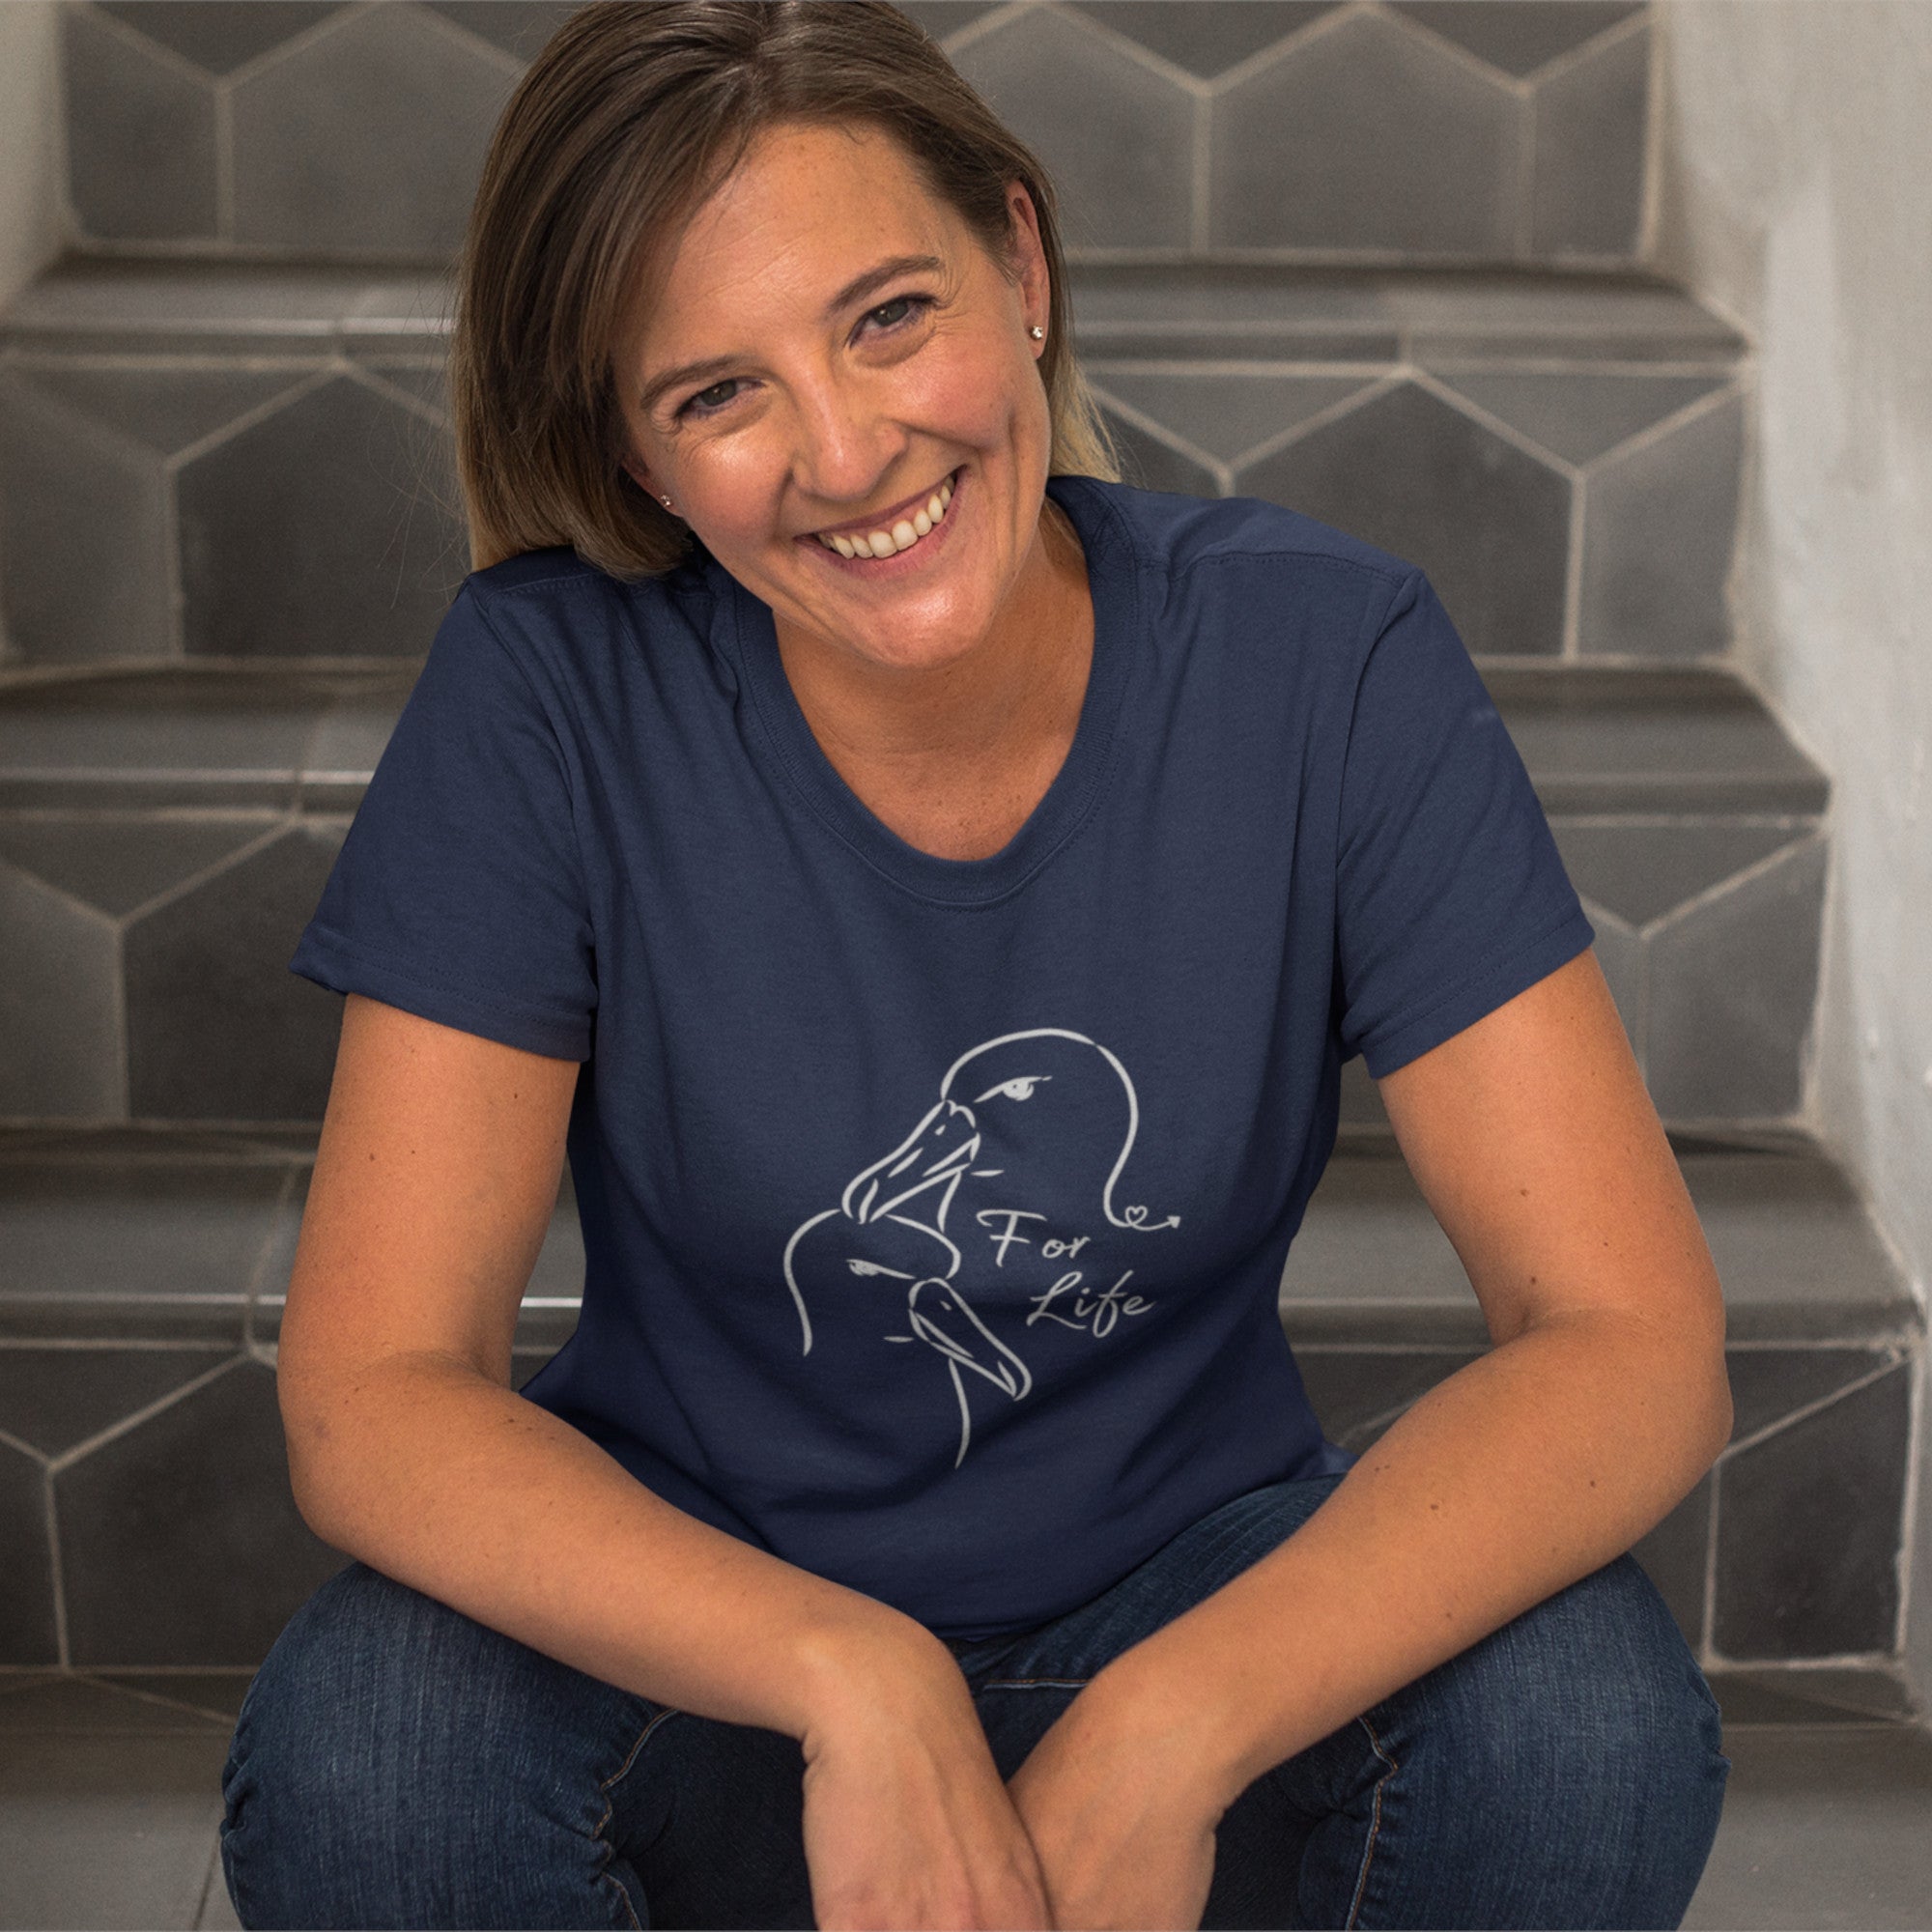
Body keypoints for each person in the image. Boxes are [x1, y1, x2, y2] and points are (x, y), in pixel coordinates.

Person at [217, 4, 1733, 1927]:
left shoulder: (1322, 661)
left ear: (1018, 265)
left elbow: (1629, 1341)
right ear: (635, 449)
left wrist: (1181, 1713)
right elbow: (372, 1391)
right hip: (710, 1656)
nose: (849, 452)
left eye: (886, 314)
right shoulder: (546, 694)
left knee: (1583, 1715)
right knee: (371, 1744)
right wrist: (845, 1673)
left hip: (1194, 1621)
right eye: (714, 393)